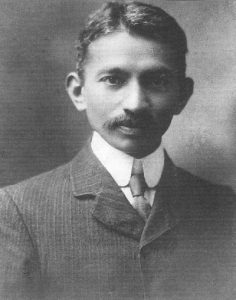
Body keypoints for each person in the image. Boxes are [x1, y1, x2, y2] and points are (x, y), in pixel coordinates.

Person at [0, 1, 235, 299]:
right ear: (78, 92)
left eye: (157, 81)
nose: (135, 103)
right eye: (114, 79)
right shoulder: (18, 212)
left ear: (182, 95)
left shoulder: (225, 209)